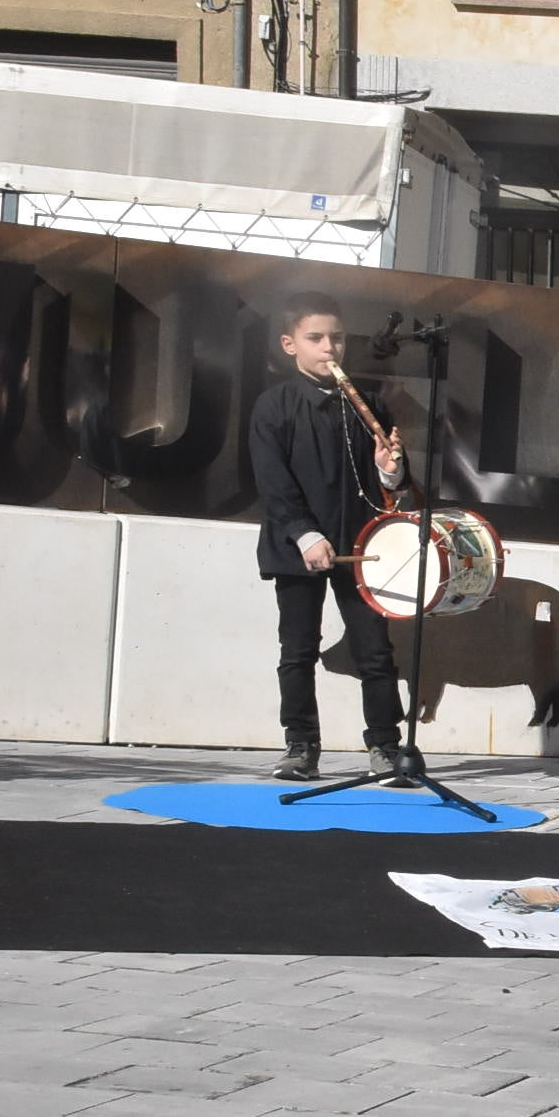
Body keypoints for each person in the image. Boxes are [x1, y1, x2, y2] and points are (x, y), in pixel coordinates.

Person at [250, 296, 408, 782]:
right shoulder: (275, 405)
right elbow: (273, 483)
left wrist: (391, 471)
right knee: (298, 650)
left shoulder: (369, 403)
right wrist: (305, 534)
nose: (328, 347)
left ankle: (385, 746)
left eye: (336, 338)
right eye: (315, 338)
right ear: (289, 344)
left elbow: (392, 486)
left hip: (360, 545)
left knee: (375, 652)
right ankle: (301, 746)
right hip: (298, 546)